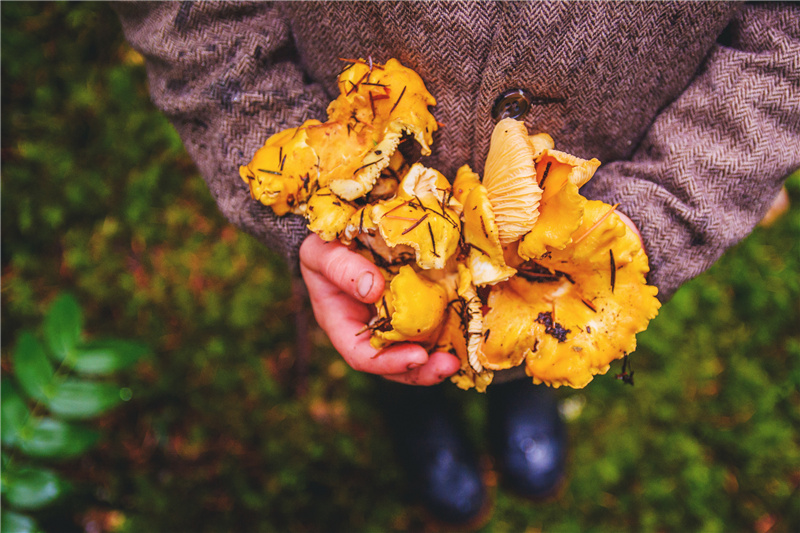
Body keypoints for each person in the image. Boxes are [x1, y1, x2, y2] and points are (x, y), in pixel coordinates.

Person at [115, 2, 800, 527]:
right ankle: (413, 400)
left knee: (535, 333)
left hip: (581, 223)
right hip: (364, 214)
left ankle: (523, 387)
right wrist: (283, 167)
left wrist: (656, 212)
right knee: (395, 331)